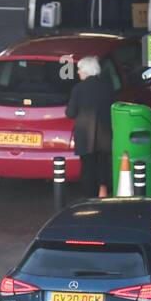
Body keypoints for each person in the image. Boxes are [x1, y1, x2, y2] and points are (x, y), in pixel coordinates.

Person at [65, 55, 113, 198]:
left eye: (79, 69)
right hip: (104, 135)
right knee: (103, 166)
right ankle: (103, 194)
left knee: (88, 169)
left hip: (85, 136)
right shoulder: (106, 86)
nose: (78, 72)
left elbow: (70, 113)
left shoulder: (78, 89)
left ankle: (90, 199)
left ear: (86, 71)